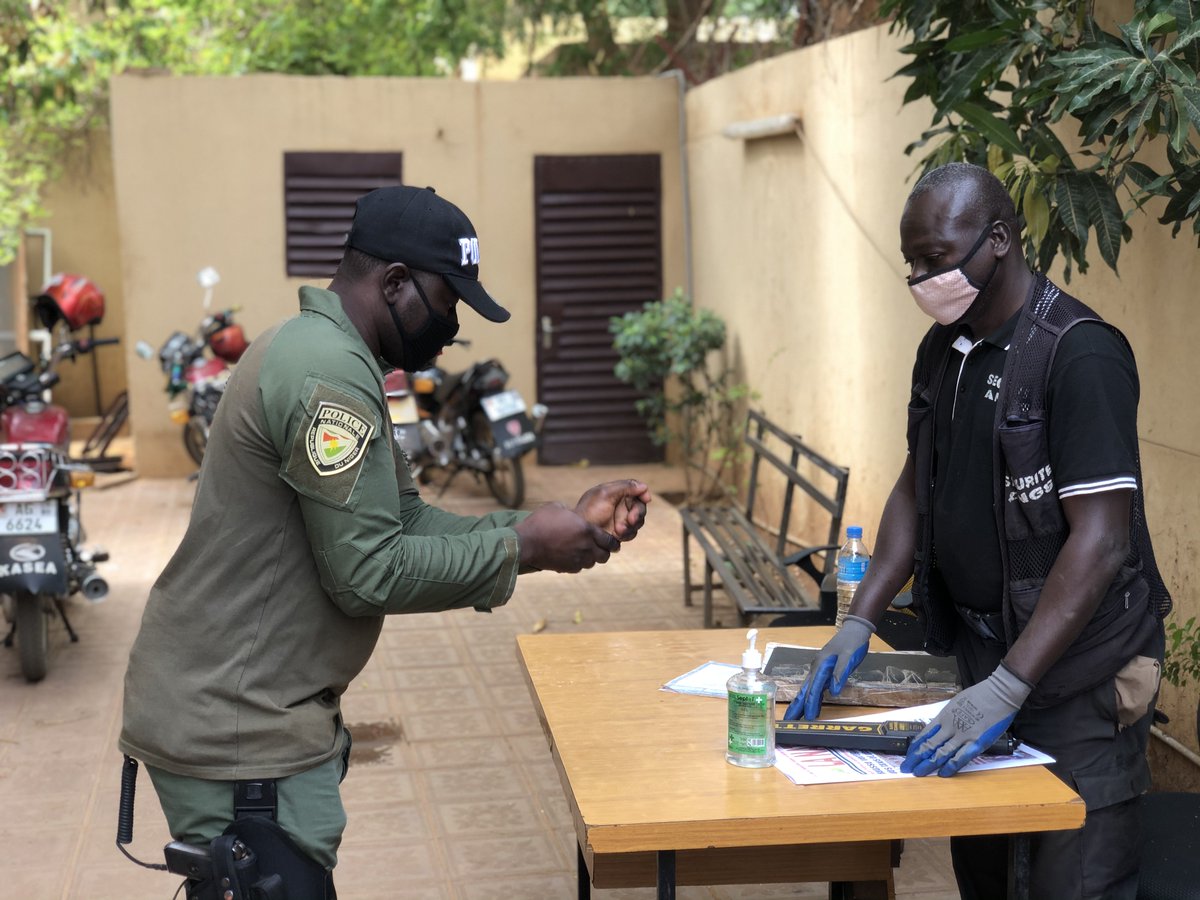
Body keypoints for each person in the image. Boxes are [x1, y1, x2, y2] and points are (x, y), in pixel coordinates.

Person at [118, 185, 651, 896]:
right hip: (236, 730)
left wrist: (541, 526)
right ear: (395, 283)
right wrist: (527, 548)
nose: (451, 327)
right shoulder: (328, 374)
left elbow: (404, 522)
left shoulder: (326, 353)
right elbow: (367, 571)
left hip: (244, 712)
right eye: (447, 301)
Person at [784, 163, 1170, 900]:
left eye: (934, 257)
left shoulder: (1079, 353)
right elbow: (914, 487)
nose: (921, 278)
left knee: (1071, 875)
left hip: (1078, 679)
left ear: (998, 238)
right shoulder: (944, 349)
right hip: (981, 659)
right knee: (987, 871)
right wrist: (859, 617)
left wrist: (1011, 684)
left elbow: (1101, 542)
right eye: (912, 263)